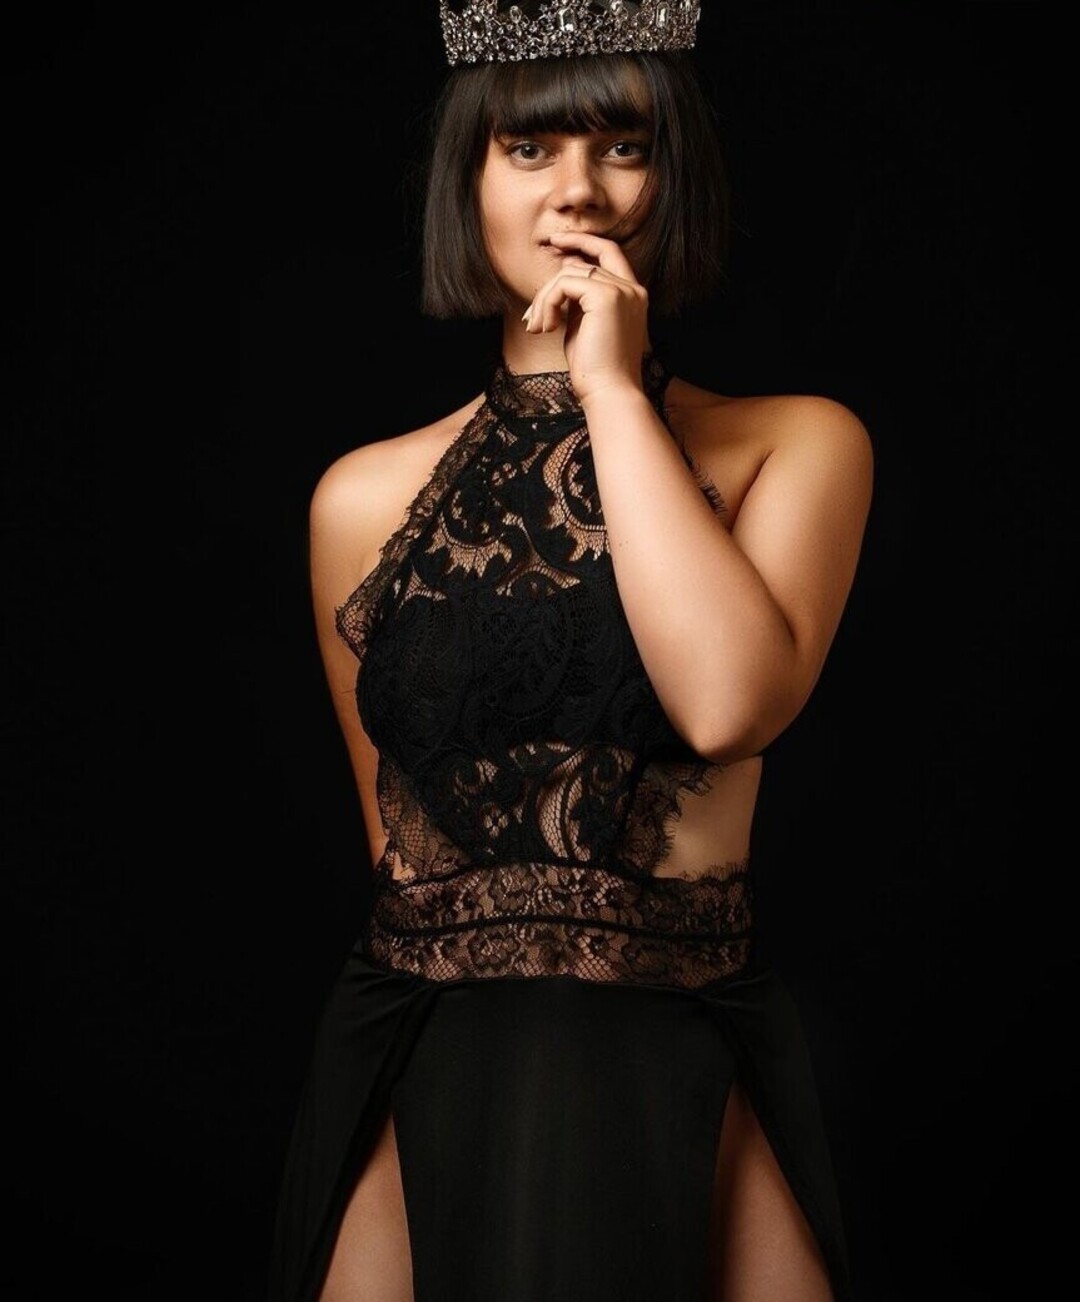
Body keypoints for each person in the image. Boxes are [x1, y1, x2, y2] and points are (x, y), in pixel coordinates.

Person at [268, 2, 873, 1299]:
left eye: (624, 148)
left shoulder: (796, 444)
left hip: (668, 1049)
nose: (580, 191)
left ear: (674, 176)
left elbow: (726, 705)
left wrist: (608, 389)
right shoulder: (360, 499)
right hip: (421, 1054)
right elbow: (395, 851)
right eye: (530, 149)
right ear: (470, 178)